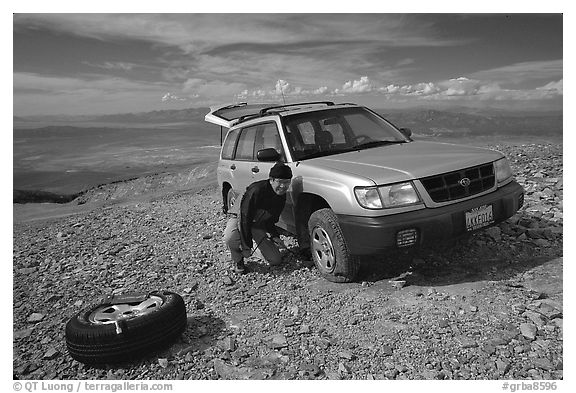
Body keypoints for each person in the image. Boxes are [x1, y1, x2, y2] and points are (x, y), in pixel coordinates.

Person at [223, 162, 293, 273]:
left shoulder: (281, 196)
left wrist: (275, 236)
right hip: (240, 217)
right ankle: (238, 259)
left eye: (287, 182)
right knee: (230, 237)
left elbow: (271, 221)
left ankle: (255, 248)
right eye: (280, 182)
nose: (283, 186)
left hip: (257, 223)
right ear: (271, 180)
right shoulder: (256, 190)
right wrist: (247, 246)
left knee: (276, 260)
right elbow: (245, 218)